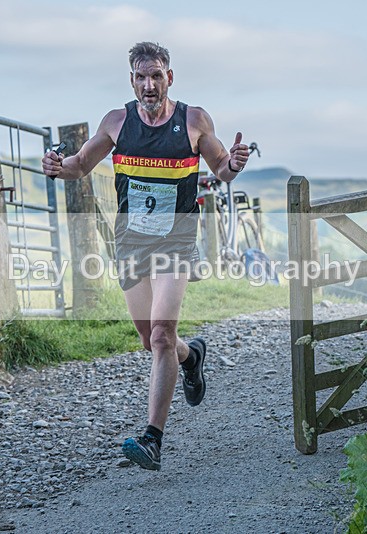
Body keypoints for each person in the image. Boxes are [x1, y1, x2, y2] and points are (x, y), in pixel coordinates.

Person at [42, 41, 249, 470]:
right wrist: (56, 166)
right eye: (141, 77)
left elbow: (221, 170)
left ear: (169, 77)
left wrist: (236, 164)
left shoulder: (193, 120)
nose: (149, 85)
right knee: (152, 340)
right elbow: (80, 165)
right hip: (132, 241)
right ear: (132, 80)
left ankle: (152, 438)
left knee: (160, 336)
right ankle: (193, 358)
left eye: (156, 75)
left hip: (176, 240)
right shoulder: (117, 122)